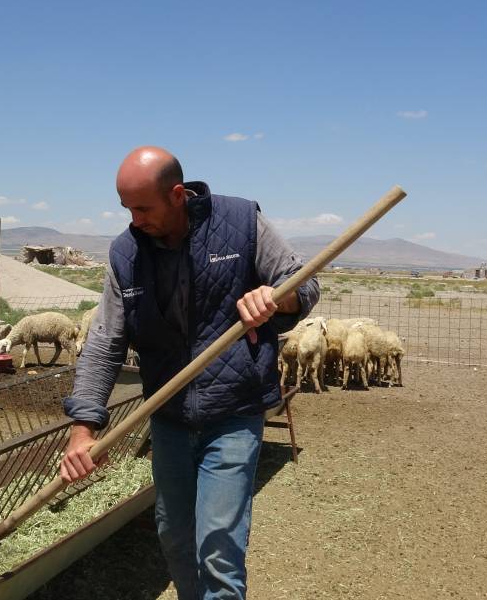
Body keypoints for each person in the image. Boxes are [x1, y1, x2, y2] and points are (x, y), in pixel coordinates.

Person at [59, 146, 320, 600]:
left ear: (177, 194)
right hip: (170, 417)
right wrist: (84, 426)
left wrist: (275, 298)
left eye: (143, 208)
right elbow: (104, 341)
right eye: (126, 208)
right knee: (175, 538)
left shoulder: (242, 223)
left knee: (218, 547)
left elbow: (304, 285)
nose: (134, 219)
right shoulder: (127, 253)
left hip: (233, 413)